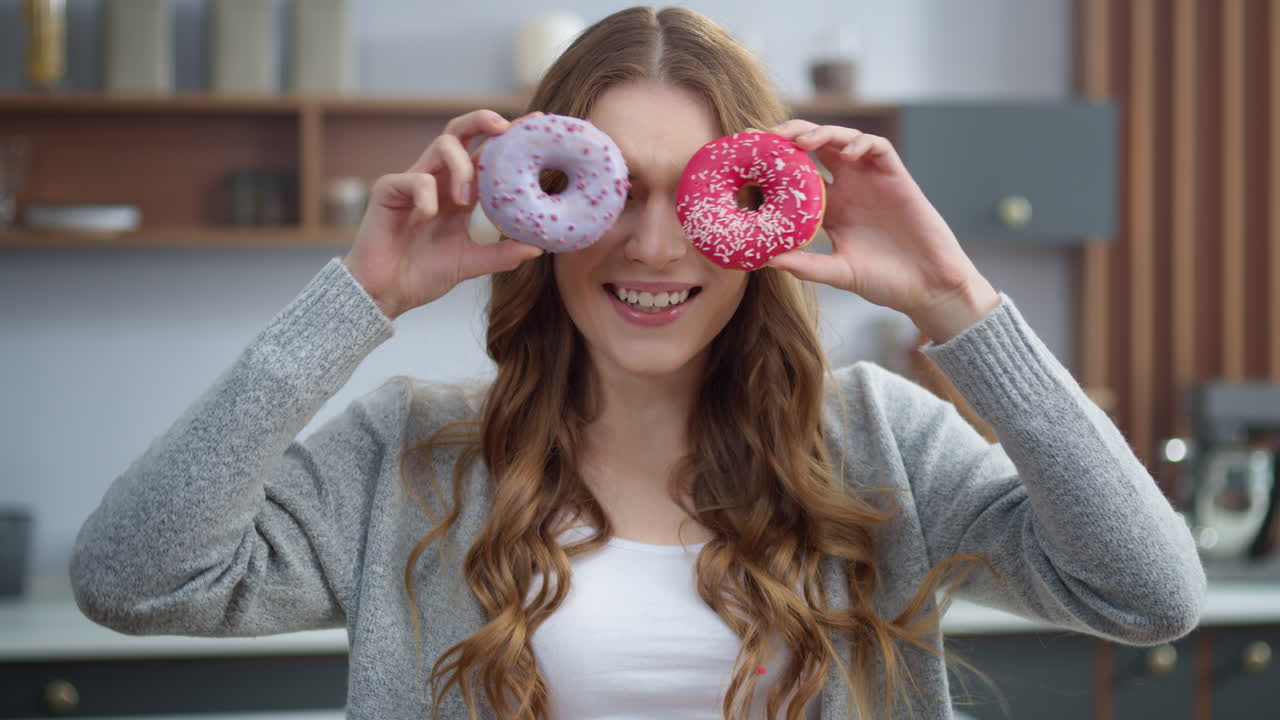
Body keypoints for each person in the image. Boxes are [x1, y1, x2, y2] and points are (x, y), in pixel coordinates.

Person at [70, 6, 1205, 720]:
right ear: (542, 207)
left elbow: (1147, 595)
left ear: (761, 215)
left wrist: (959, 305)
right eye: (611, 192)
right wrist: (354, 303)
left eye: (695, 195)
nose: (654, 245)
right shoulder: (412, 450)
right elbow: (132, 578)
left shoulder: (875, 442)